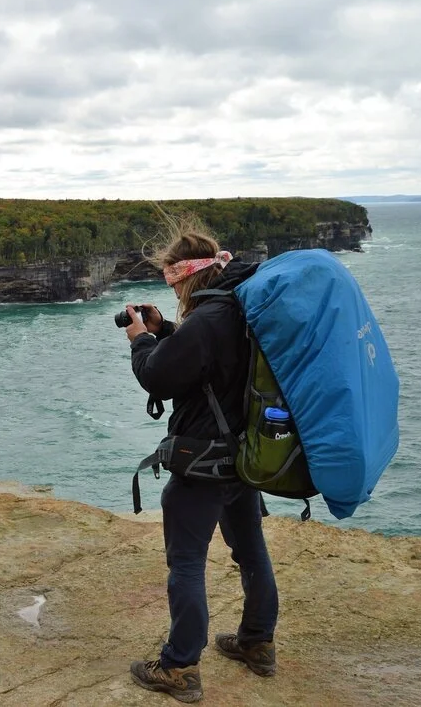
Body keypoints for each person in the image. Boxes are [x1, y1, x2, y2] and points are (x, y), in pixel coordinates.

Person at [123, 220, 279, 703]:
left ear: (185, 277)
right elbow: (213, 361)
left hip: (202, 465)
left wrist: (141, 341)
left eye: (172, 282)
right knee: (250, 550)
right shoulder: (240, 309)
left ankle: (180, 667)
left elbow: (158, 378)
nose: (173, 293)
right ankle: (257, 643)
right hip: (244, 460)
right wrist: (167, 330)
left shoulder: (208, 320)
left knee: (187, 562)